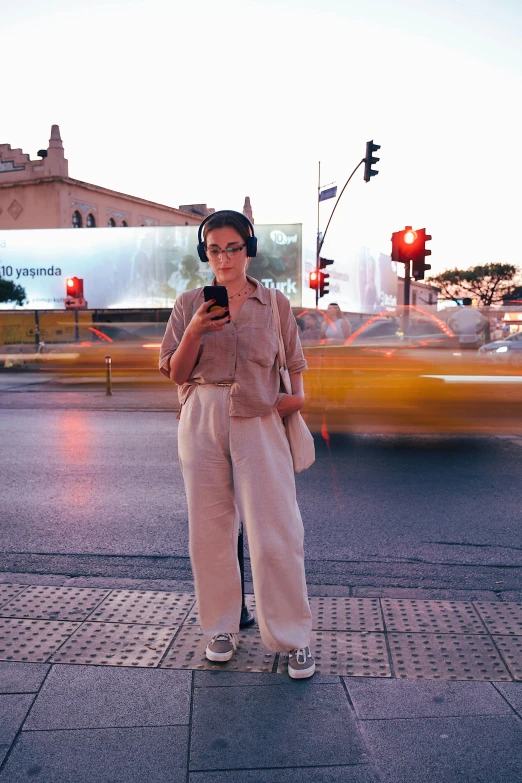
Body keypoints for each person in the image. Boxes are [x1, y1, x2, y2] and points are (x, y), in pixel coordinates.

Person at [159, 210, 315, 679]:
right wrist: (195, 331)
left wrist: (269, 408)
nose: (223, 258)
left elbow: (299, 382)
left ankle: (292, 637)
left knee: (277, 532)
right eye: (213, 249)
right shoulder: (190, 303)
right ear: (204, 254)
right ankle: (221, 628)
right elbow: (175, 371)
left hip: (259, 419)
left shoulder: (275, 304)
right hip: (202, 415)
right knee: (209, 531)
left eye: (232, 248)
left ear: (248, 249)